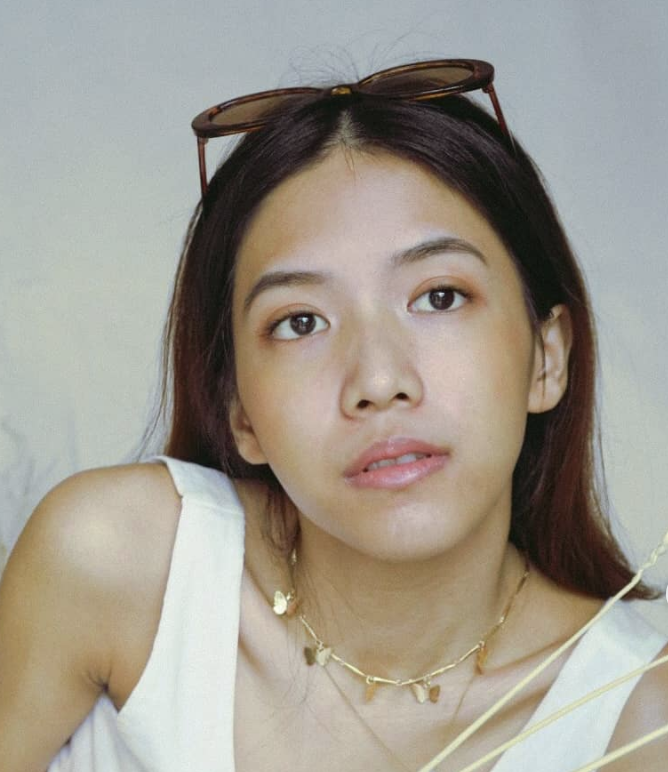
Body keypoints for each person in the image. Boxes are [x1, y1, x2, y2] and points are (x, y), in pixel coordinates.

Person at [0, 58, 666, 772]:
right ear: (238, 410)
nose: (378, 382)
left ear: (547, 358)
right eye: (301, 322)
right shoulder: (119, 566)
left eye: (439, 297)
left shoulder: (636, 722)